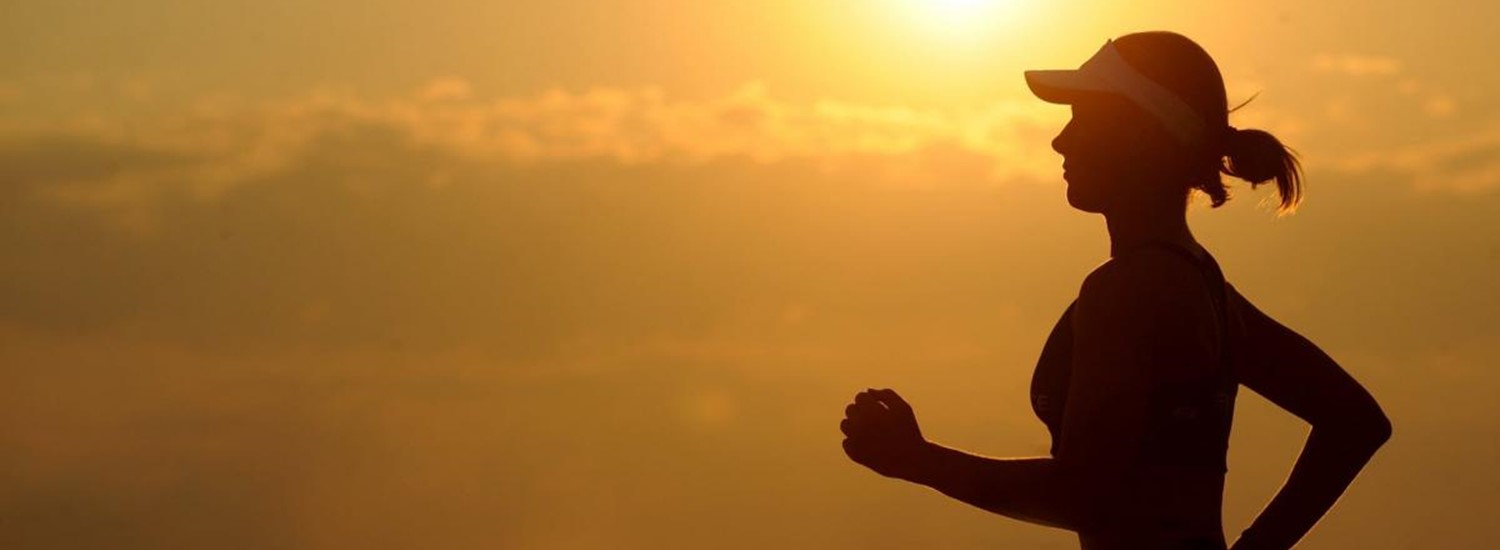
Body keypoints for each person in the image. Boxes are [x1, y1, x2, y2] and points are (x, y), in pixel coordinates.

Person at [838, 31, 1392, 550]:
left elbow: (1082, 494)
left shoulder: (1128, 291)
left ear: (1142, 135)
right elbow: (1354, 421)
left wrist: (918, 461)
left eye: (1084, 118)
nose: (1060, 139)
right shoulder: (1204, 285)